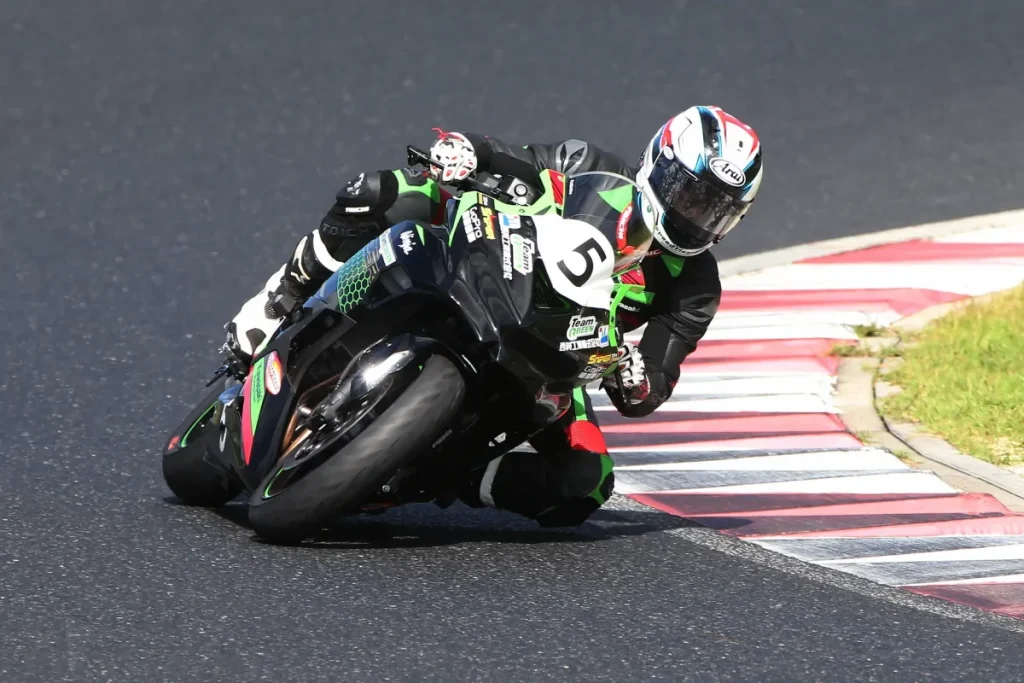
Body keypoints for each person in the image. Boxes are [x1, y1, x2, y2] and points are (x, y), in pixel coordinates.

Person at [224, 106, 763, 527]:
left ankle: (439, 474)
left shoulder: (695, 289)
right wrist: (465, 152)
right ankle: (279, 300)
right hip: (484, 257)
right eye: (691, 196)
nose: (696, 216)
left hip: (556, 352)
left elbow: (653, 385)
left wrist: (634, 378)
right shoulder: (590, 166)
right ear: (659, 165)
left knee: (586, 481)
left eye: (715, 210)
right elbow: (513, 159)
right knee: (381, 192)